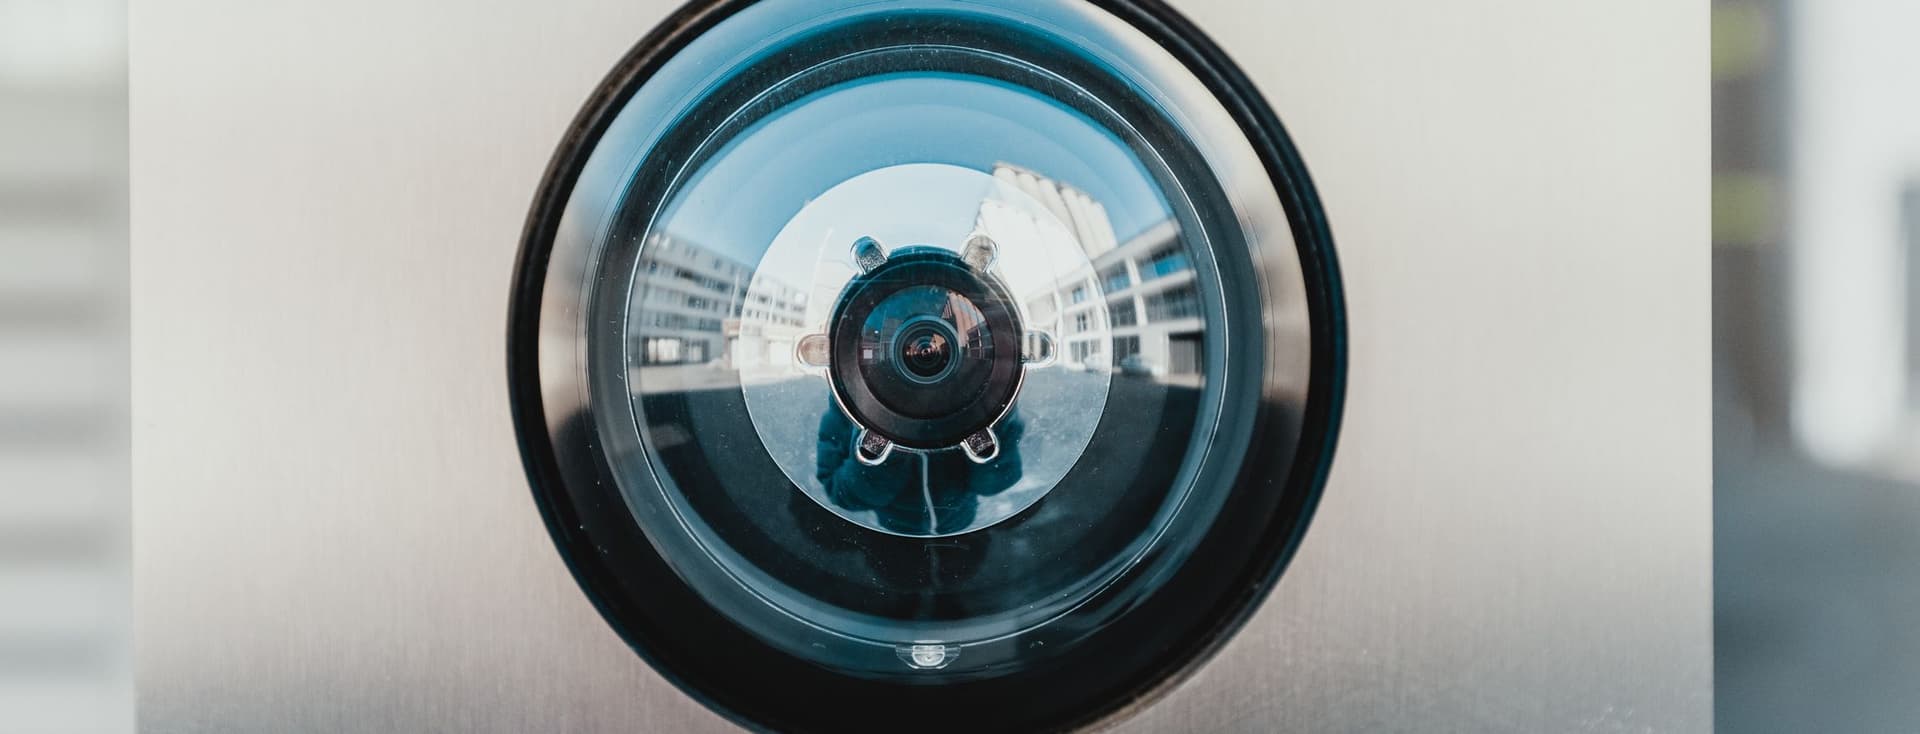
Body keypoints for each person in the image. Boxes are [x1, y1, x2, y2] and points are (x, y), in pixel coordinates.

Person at [812, 396, 1024, 537]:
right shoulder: (849, 399)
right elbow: (839, 489)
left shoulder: (977, 389)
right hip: (894, 537)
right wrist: (881, 436)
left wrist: (982, 416)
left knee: (966, 577)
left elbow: (994, 481)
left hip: (961, 528)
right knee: (895, 582)